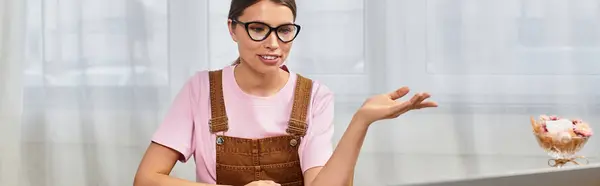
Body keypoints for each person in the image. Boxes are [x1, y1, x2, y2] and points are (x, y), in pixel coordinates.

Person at [133, 0, 437, 185]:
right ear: (232, 28)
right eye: (258, 29)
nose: (273, 44)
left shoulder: (315, 96)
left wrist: (361, 122)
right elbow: (146, 179)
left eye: (284, 30)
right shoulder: (200, 90)